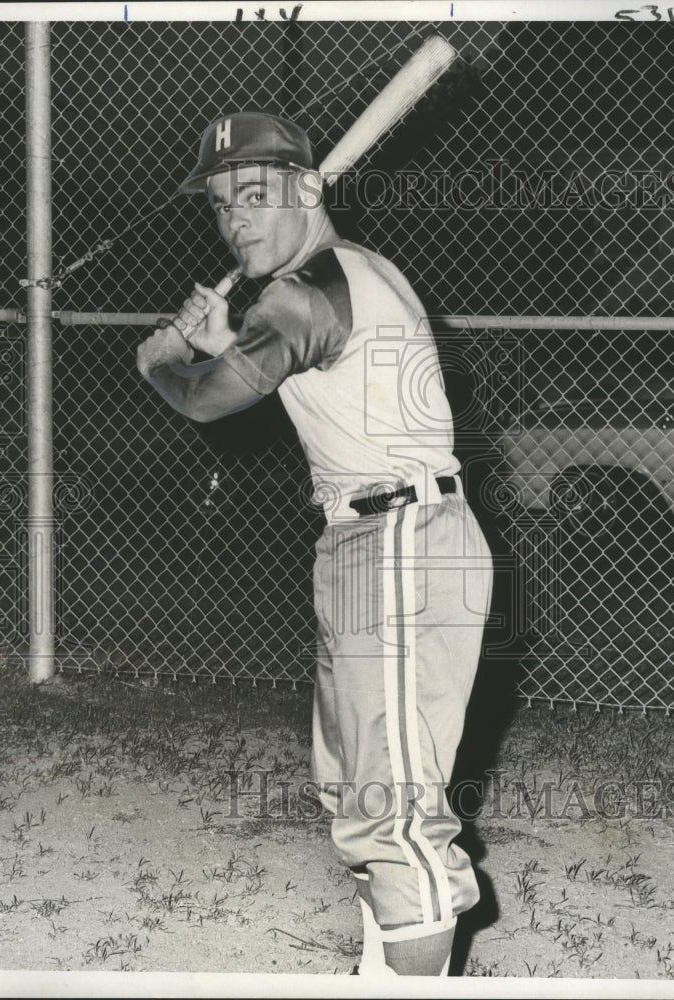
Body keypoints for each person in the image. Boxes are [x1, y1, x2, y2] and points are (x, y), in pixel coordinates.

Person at [136, 111, 494, 977]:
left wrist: (164, 360)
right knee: (356, 790)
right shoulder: (333, 280)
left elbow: (210, 398)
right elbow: (294, 368)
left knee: (393, 809)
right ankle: (382, 974)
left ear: (308, 190)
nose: (236, 221)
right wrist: (227, 341)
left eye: (256, 197)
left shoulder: (310, 289)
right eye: (222, 205)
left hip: (402, 543)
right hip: (364, 537)